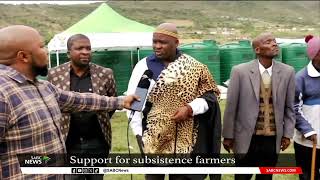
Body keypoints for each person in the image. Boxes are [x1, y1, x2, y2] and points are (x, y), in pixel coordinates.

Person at [0, 25, 138, 180]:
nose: (46, 51)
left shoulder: (42, 86)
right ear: (23, 56)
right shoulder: (3, 92)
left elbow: (79, 100)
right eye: (41, 46)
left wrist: (121, 102)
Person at [127, 23, 221, 180]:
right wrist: (138, 133)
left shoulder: (194, 67)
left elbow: (210, 97)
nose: (157, 46)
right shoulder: (144, 67)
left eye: (162, 42)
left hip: (186, 141)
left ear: (176, 43)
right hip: (153, 138)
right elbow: (135, 103)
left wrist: (190, 108)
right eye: (154, 42)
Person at [222, 32, 296, 180]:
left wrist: (287, 134)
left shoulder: (288, 72)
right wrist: (228, 136)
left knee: (266, 177)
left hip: (272, 139)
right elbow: (231, 107)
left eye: (274, 41)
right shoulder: (239, 71)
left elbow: (289, 107)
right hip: (245, 138)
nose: (274, 44)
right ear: (257, 50)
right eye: (268, 42)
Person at [47, 34, 117, 180]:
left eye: (88, 48)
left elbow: (112, 103)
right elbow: (52, 105)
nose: (85, 52)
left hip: (97, 142)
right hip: (68, 142)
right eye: (80, 48)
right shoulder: (54, 74)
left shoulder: (105, 74)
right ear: (68, 53)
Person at [294, 35, 320, 180]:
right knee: (309, 176)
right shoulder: (301, 78)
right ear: (316, 55)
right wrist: (308, 131)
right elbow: (293, 108)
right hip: (309, 142)